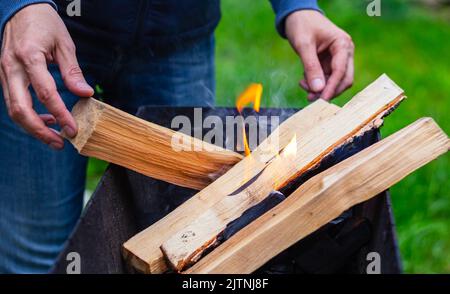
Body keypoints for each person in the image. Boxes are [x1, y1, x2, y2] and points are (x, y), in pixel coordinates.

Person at [0, 0, 354, 273]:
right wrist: (20, 5)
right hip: (47, 34)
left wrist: (297, 7)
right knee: (36, 255)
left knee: (186, 245)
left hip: (178, 38)